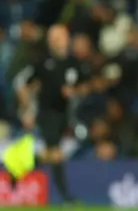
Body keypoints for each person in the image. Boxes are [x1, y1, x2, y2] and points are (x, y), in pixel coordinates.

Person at [3, 24, 81, 203]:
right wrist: (28, 110)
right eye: (54, 38)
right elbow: (21, 84)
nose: (58, 41)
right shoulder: (42, 62)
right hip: (48, 114)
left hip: (66, 115)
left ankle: (16, 165)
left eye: (61, 37)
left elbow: (83, 85)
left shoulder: (73, 63)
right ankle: (66, 197)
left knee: (54, 154)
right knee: (56, 153)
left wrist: (75, 92)